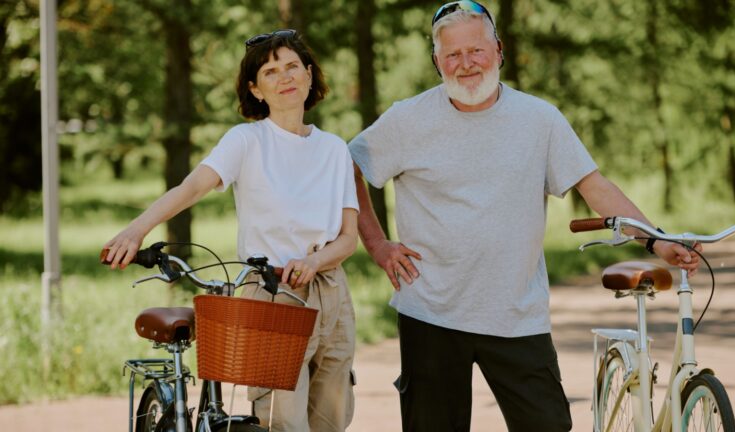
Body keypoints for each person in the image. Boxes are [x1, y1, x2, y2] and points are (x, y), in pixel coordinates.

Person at [348, 2, 701, 431]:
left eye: (476, 50)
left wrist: (657, 240)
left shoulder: (539, 119)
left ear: (499, 50)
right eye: (453, 55)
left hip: (516, 312)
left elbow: (596, 188)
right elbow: (349, 169)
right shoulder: (407, 119)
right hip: (431, 311)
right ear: (437, 62)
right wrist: (377, 245)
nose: (466, 65)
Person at [103, 30, 358, 432]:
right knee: (281, 423)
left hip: (332, 294)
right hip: (272, 292)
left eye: (293, 66)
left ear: (309, 76)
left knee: (332, 420)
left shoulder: (335, 149)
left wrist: (314, 261)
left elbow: (348, 238)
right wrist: (136, 231)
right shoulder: (246, 141)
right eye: (271, 72)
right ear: (256, 90)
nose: (285, 77)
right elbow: (192, 187)